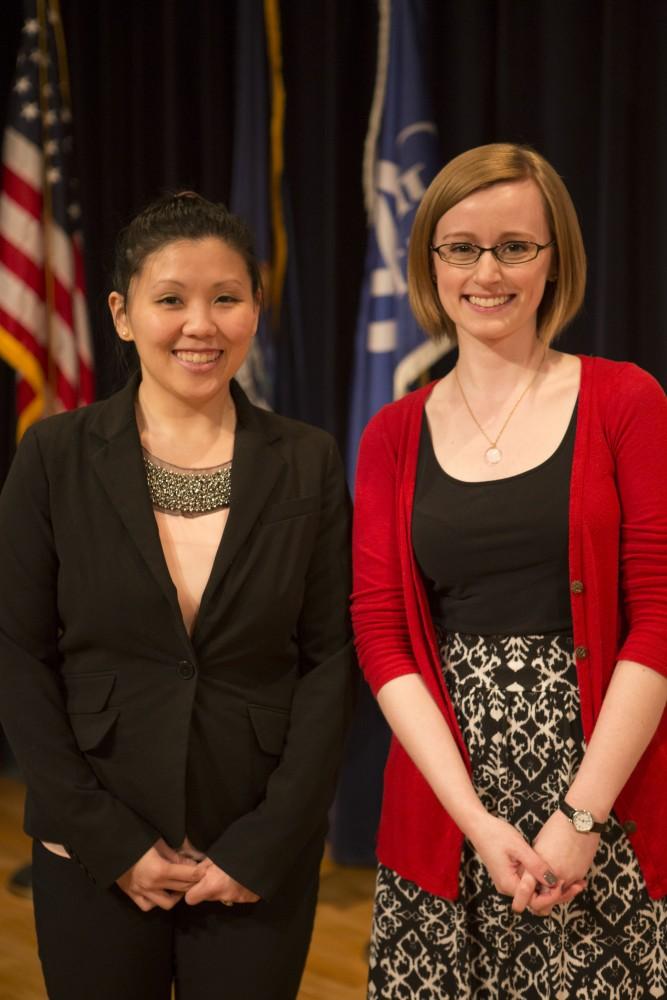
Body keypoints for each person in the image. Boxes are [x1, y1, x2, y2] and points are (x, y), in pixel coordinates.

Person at [0, 192, 355, 1000]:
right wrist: (107, 840)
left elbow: (330, 660)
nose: (201, 324)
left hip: (254, 849)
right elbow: (16, 654)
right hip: (93, 849)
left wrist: (266, 842)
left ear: (255, 311)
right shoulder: (53, 455)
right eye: (171, 300)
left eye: (225, 298)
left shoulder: (308, 460)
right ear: (123, 314)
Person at [351, 143, 667, 998]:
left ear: (552, 258)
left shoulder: (625, 400)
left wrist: (580, 817)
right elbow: (382, 637)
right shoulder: (391, 434)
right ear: (429, 261)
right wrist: (475, 823)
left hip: (605, 794)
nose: (486, 271)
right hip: (447, 805)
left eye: (514, 246)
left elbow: (659, 616)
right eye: (461, 247)